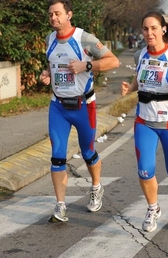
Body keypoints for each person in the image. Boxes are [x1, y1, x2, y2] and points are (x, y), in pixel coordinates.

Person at [40, 0, 119, 222]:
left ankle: (96, 187)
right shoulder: (49, 39)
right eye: (50, 14)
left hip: (84, 106)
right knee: (57, 157)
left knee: (87, 152)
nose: (53, 18)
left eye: (57, 13)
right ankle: (60, 206)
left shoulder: (84, 39)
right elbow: (52, 64)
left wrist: (87, 66)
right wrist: (46, 74)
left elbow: (113, 61)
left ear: (69, 15)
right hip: (58, 107)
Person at [121, 11, 168, 232]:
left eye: (153, 28)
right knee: (145, 169)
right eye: (145, 28)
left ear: (163, 29)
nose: (149, 33)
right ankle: (153, 208)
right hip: (145, 121)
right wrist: (130, 88)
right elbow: (139, 77)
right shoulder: (139, 54)